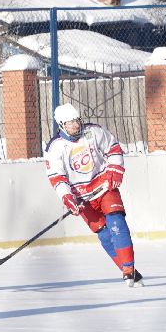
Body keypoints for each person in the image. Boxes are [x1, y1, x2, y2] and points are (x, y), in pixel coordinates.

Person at [45, 103, 143, 285]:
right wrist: (67, 198)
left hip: (104, 187)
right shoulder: (55, 147)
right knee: (105, 235)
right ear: (61, 125)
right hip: (83, 198)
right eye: (70, 122)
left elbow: (113, 148)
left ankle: (128, 268)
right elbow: (57, 177)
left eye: (76, 120)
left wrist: (115, 169)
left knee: (116, 223)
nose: (75, 125)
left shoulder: (93, 132)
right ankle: (130, 271)